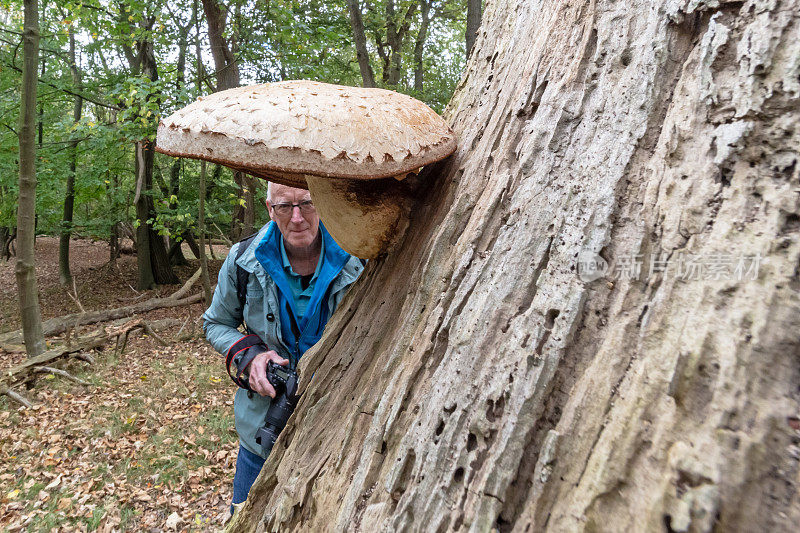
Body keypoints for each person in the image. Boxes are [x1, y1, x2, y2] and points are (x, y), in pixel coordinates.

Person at [202, 181, 364, 513]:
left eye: (307, 204)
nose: (297, 218)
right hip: (262, 431)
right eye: (283, 207)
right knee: (249, 517)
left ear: (324, 201)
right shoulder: (243, 260)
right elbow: (215, 323)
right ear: (268, 208)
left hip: (339, 429)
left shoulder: (358, 257)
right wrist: (251, 355)